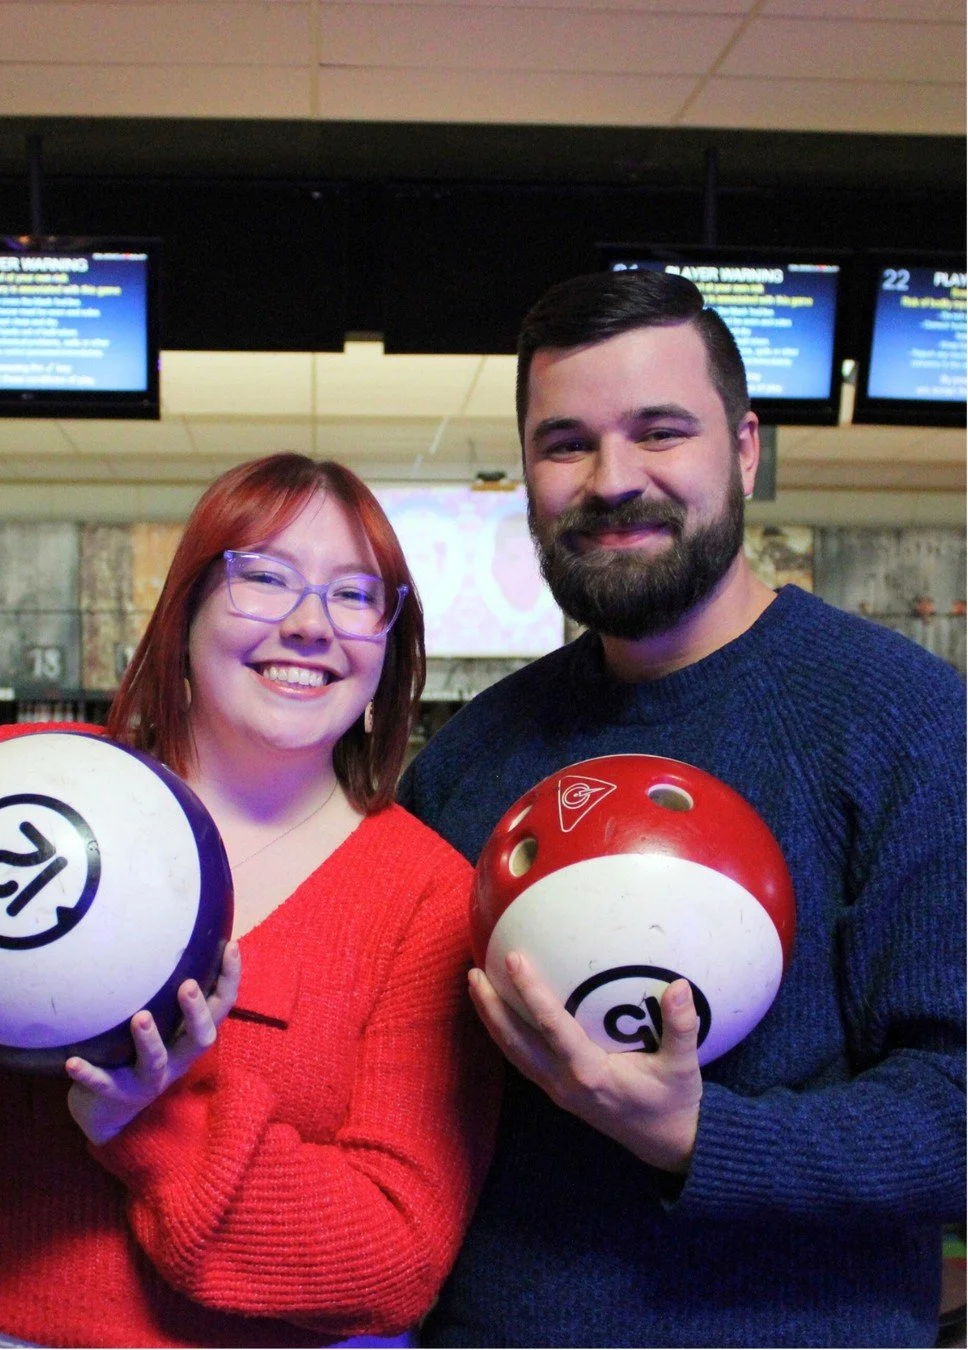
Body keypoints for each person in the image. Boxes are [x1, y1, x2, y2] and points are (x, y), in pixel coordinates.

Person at [399, 269, 966, 1348]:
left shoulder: (911, 722)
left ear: (745, 449)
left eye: (661, 431)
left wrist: (697, 1133)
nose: (612, 479)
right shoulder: (470, 759)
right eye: (565, 443)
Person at [0, 453, 499, 1348]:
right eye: (263, 578)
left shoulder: (429, 899)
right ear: (189, 608)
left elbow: (395, 1261)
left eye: (355, 595)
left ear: (390, 642)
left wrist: (158, 1121)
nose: (307, 625)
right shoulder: (10, 785)